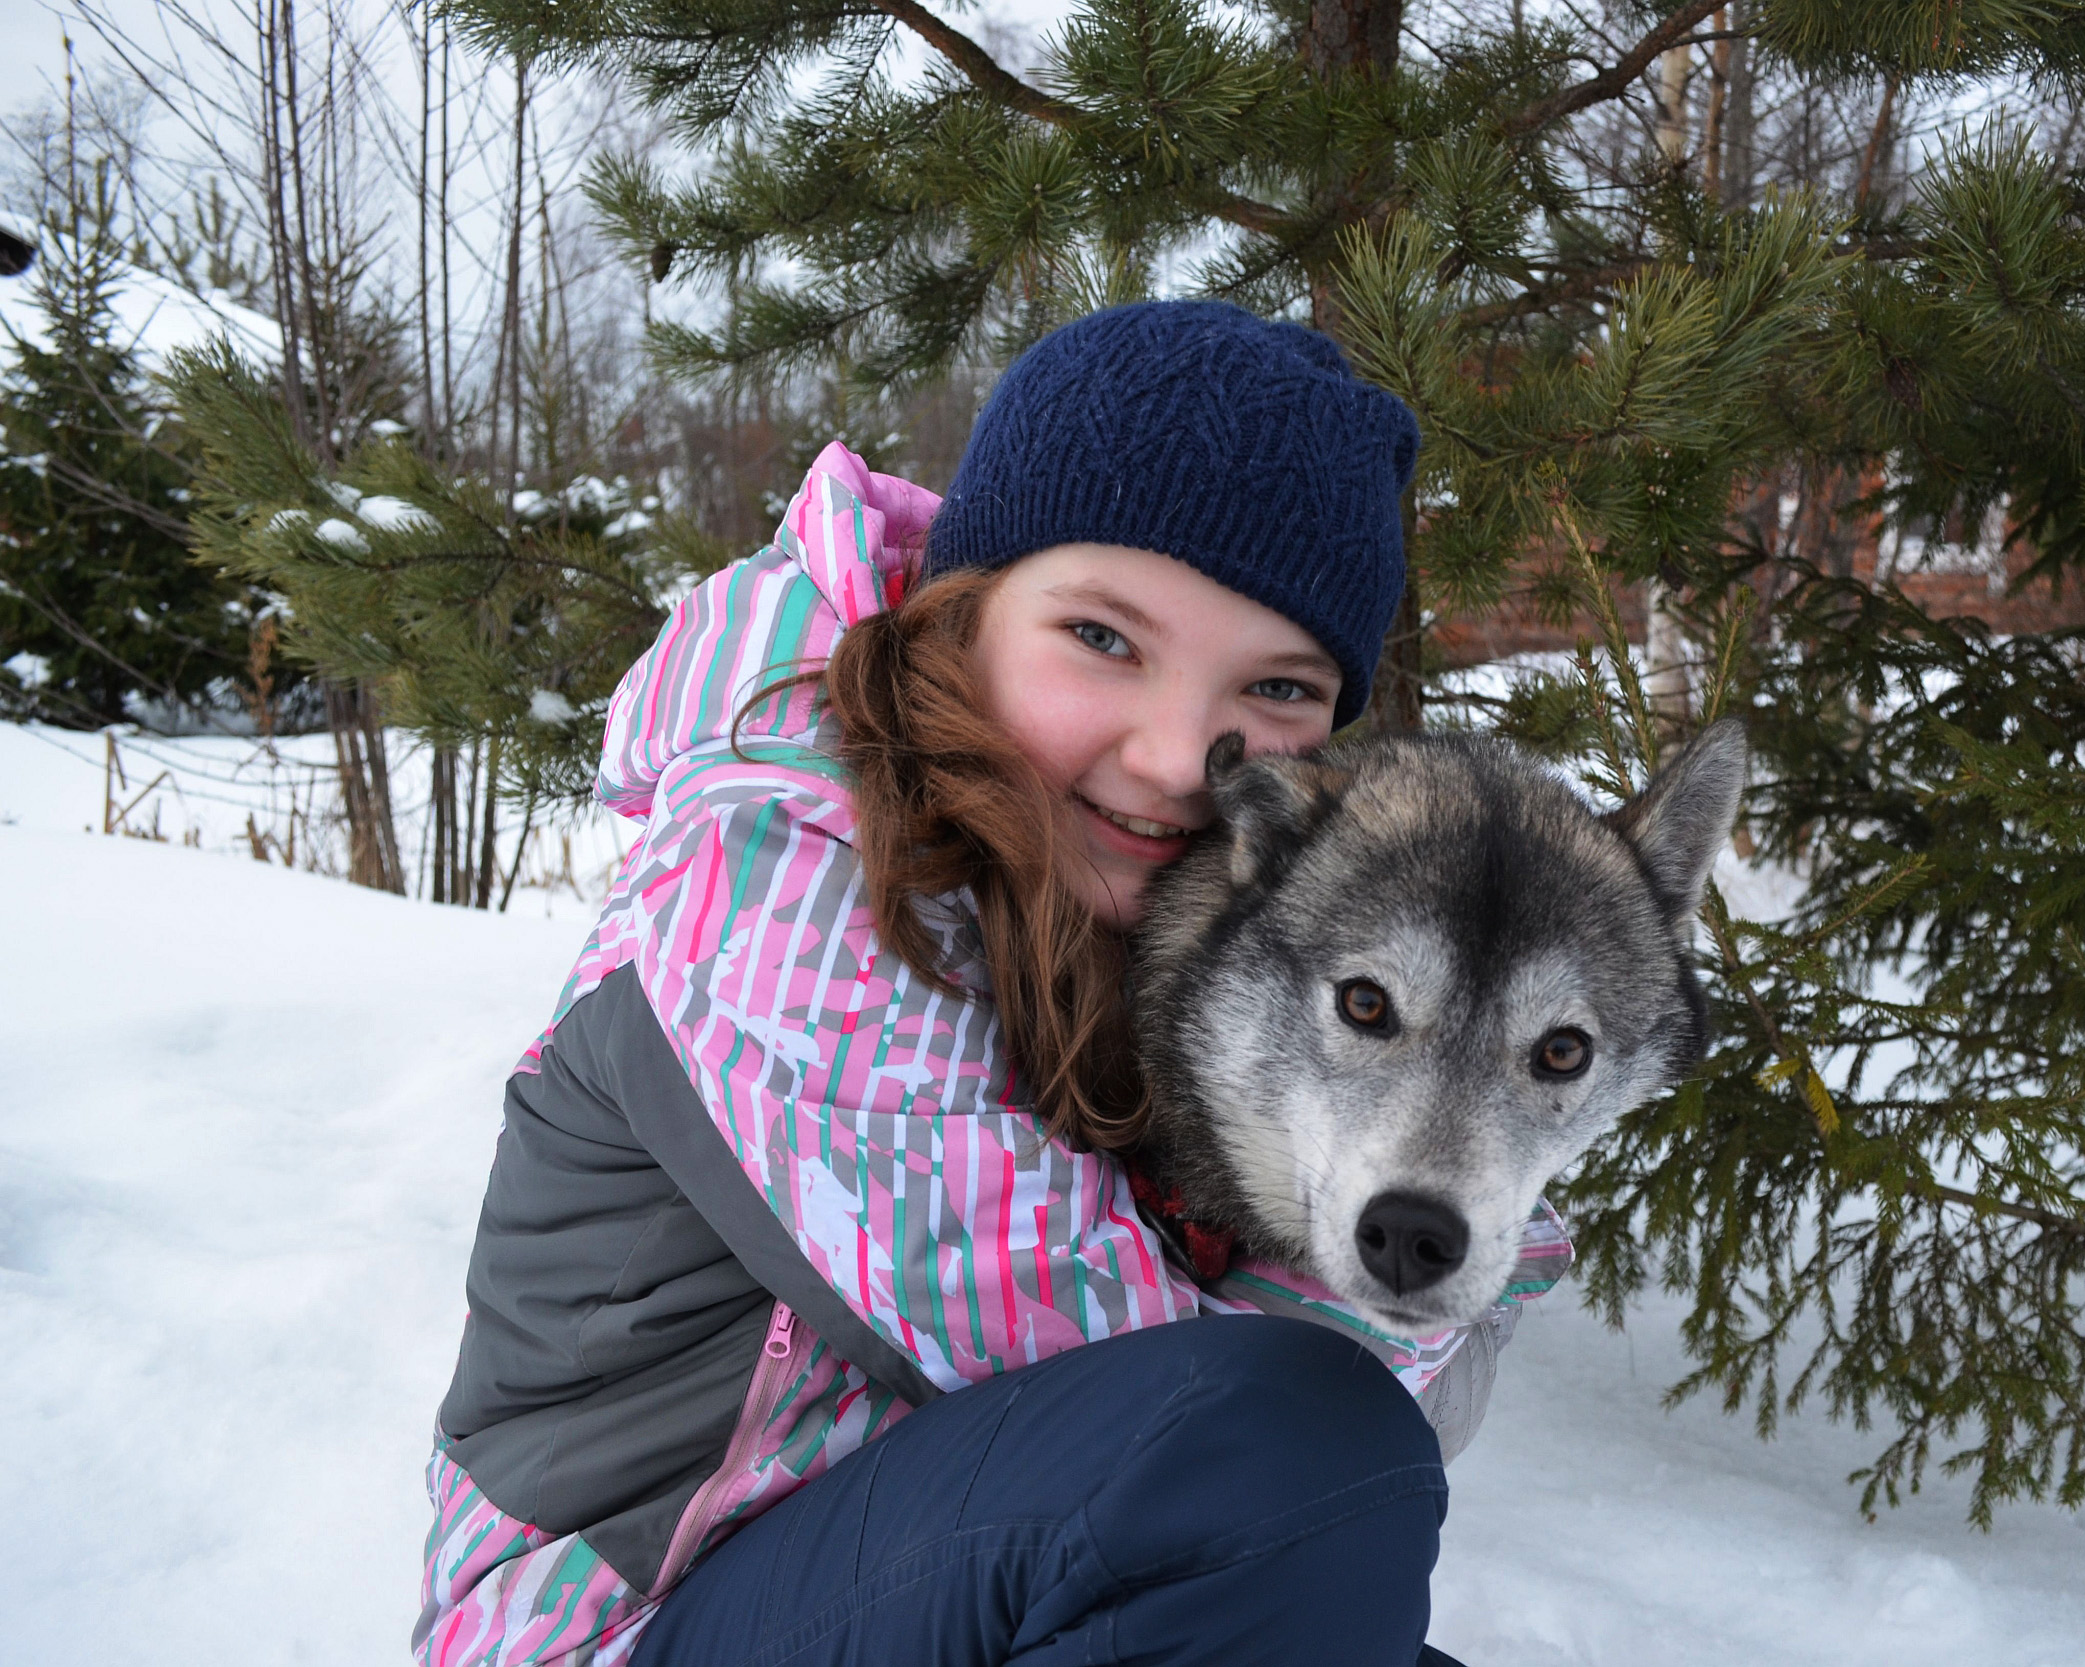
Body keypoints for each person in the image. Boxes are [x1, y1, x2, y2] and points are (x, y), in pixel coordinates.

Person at [414, 301, 1567, 1667]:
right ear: (959, 611)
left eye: (1274, 690)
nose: (1175, 756)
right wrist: (1455, 1227)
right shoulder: (773, 859)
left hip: (920, 1577)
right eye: (1102, 639)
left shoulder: (1166, 903)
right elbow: (1130, 1390)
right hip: (622, 1628)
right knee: (1278, 1462)